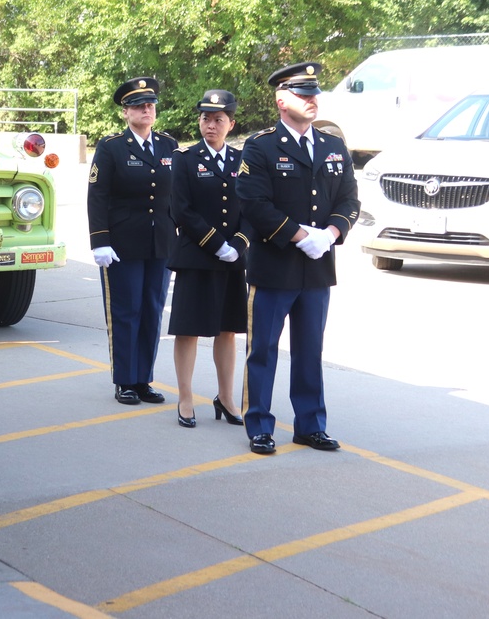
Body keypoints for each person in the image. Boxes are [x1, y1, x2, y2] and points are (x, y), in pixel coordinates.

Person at [235, 62, 361, 455]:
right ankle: (258, 424)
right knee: (264, 350)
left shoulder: (332, 145)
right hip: (275, 266)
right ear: (281, 100)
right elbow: (254, 202)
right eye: (303, 94)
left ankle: (310, 425)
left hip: (318, 267)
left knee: (310, 351)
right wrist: (300, 234)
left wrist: (331, 234)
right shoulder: (261, 145)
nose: (312, 100)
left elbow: (349, 200)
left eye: (314, 94)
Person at [87, 77, 178, 406]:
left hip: (160, 244)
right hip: (122, 244)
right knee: (126, 311)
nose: (147, 109)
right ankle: (124, 379)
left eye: (151, 104)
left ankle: (143, 379)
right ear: (125, 112)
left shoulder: (168, 146)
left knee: (152, 310)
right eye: (139, 105)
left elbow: (178, 196)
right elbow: (97, 196)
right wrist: (99, 241)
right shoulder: (111, 147)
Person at [168, 90, 250, 428]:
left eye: (218, 119)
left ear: (231, 123)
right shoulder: (185, 159)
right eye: (205, 118)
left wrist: (239, 244)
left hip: (232, 261)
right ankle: (186, 398)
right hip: (197, 256)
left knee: (227, 330)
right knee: (188, 331)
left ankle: (226, 397)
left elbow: (250, 206)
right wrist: (217, 243)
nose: (210, 125)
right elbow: (180, 209)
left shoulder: (242, 161)